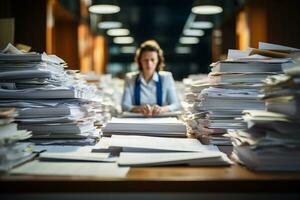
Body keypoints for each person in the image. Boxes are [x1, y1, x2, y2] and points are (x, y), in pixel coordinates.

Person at [121, 40, 181, 117]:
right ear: (140, 61)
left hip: (161, 121)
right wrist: (139, 109)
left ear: (158, 61)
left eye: (152, 60)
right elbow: (124, 105)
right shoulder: (130, 78)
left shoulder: (166, 77)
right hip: (137, 121)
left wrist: (162, 109)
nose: (149, 64)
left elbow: (176, 104)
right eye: (145, 60)